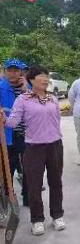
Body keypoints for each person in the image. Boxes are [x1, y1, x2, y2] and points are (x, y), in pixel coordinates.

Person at [1, 65, 66, 236]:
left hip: (55, 146)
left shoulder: (52, 98)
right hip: (33, 148)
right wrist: (4, 119)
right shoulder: (23, 99)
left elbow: (57, 121)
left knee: (56, 182)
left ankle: (57, 215)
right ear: (31, 80)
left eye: (46, 76)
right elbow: (13, 123)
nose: (45, 79)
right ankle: (37, 220)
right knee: (34, 186)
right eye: (41, 76)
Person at [0, 58, 29, 206]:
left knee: (28, 166)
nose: (12, 73)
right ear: (5, 72)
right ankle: (9, 196)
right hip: (7, 134)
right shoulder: (1, 87)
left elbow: (36, 106)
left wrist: (25, 90)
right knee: (8, 167)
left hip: (26, 134)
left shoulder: (28, 87)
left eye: (16, 70)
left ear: (21, 72)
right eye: (9, 70)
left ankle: (27, 196)